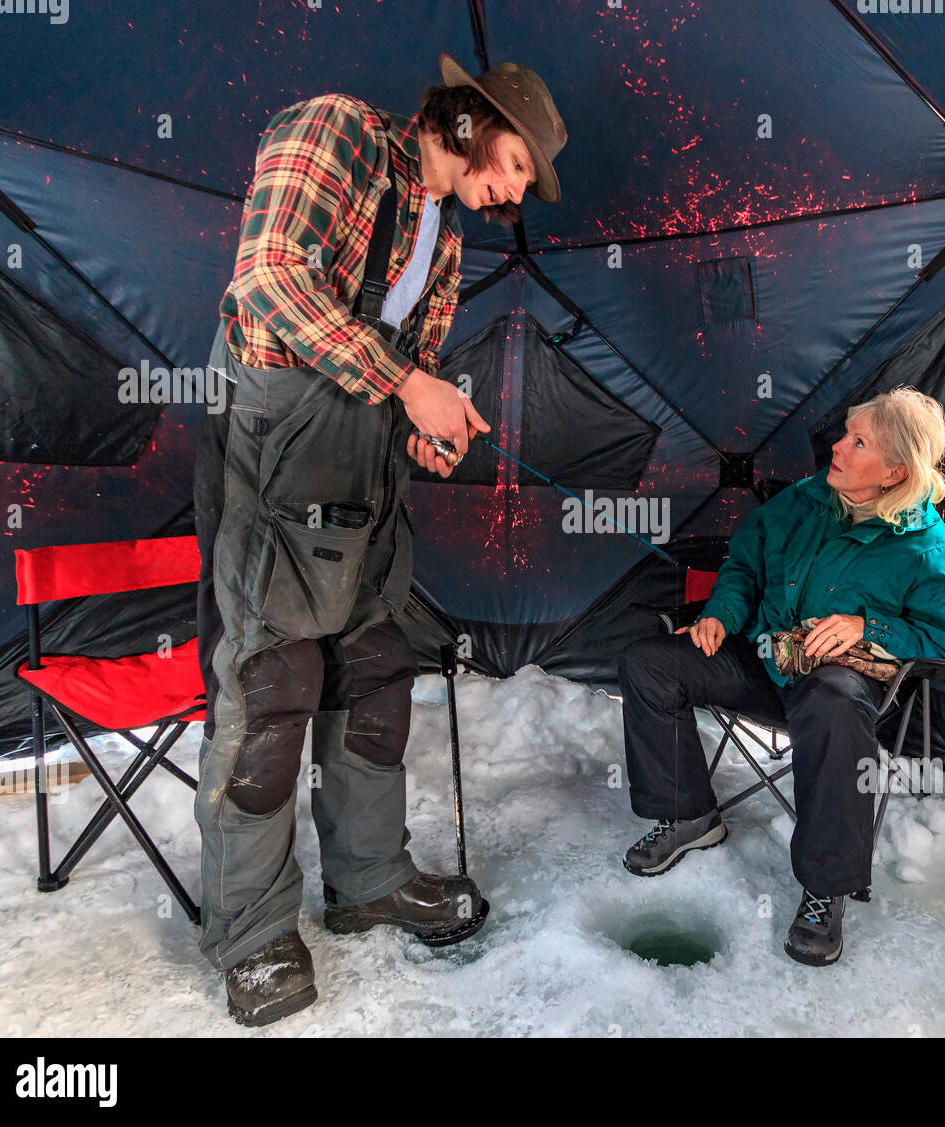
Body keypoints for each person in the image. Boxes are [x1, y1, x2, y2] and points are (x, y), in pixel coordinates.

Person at [192, 54, 566, 1025]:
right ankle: (252, 932)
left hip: (363, 463)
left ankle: (365, 881)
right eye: (518, 162)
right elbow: (269, 280)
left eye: (525, 183)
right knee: (273, 688)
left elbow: (404, 372)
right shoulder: (339, 133)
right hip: (273, 443)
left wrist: (421, 424)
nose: (516, 192)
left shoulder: (444, 241)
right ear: (470, 119)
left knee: (371, 669)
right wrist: (403, 385)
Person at [617, 387, 945, 966]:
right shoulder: (807, 499)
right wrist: (719, 615)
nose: (837, 446)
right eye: (845, 432)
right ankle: (688, 813)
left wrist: (869, 625)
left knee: (834, 705)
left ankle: (826, 889)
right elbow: (743, 562)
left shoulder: (925, 547)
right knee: (648, 664)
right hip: (764, 659)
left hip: (836, 691)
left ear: (894, 472)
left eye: (858, 442)